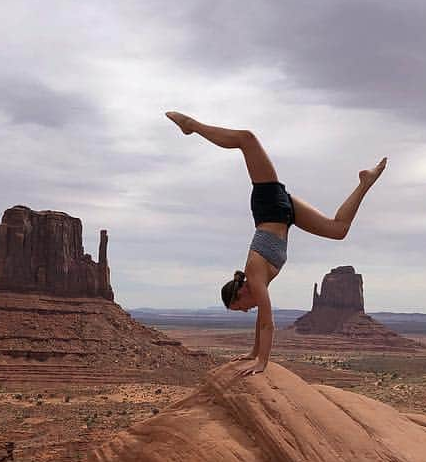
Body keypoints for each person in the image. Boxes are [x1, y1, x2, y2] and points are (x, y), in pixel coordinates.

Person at [165, 111, 386, 375]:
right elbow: (262, 320)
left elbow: (269, 323)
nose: (246, 310)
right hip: (284, 212)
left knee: (247, 140)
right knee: (338, 229)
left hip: (269, 207)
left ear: (240, 294)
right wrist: (253, 352)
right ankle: (365, 183)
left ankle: (192, 126)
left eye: (240, 308)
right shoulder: (258, 282)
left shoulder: (254, 274)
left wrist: (262, 363)